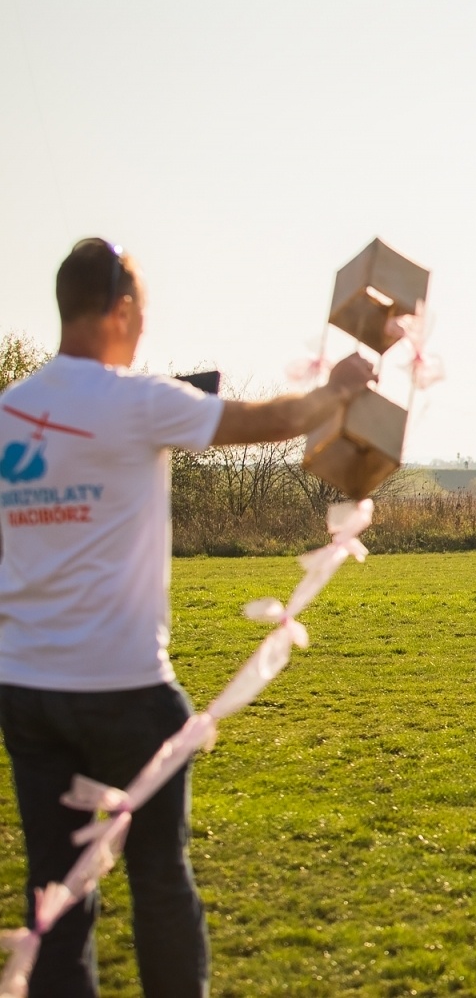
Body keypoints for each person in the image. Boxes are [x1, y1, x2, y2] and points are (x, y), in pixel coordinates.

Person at [0, 238, 374, 997]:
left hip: (27, 691)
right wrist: (338, 390)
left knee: (59, 898)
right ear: (124, 310)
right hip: (128, 690)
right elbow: (275, 420)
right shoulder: (137, 400)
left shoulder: (9, 410)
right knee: (162, 882)